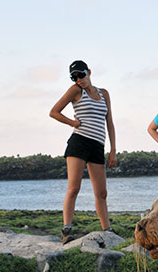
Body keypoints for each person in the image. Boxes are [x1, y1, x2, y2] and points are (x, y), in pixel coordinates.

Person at [49, 60, 116, 243]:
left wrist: (113, 150)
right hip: (79, 143)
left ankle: (107, 229)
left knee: (101, 192)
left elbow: (109, 122)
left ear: (89, 72)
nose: (78, 79)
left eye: (81, 74)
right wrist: (72, 123)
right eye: (74, 77)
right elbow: (54, 112)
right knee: (74, 187)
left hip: (97, 145)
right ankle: (67, 230)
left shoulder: (104, 94)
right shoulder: (75, 91)